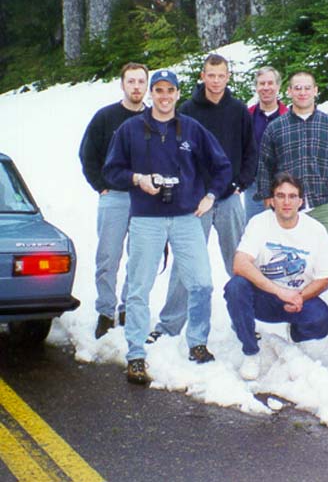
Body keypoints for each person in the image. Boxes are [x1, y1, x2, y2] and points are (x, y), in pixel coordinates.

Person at [103, 69, 232, 384]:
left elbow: (222, 166)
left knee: (201, 283)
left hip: (187, 217)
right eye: (158, 90)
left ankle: (198, 343)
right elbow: (111, 170)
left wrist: (211, 197)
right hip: (146, 219)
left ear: (177, 93)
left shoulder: (192, 129)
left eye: (169, 91)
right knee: (138, 288)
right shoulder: (130, 130)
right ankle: (135, 354)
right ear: (151, 93)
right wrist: (137, 179)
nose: (164, 96)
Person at [147, 54, 256, 345]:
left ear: (228, 77)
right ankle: (170, 324)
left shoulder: (238, 110)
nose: (216, 80)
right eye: (211, 75)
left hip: (229, 198)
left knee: (239, 261)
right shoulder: (187, 110)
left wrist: (240, 183)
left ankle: (243, 321)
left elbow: (250, 152)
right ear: (202, 76)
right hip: (196, 203)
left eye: (221, 75)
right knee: (187, 261)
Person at [224, 173, 328, 381]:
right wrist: (278, 291)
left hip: (298, 298)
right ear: (272, 200)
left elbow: (324, 278)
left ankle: (296, 334)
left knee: (322, 321)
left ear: (301, 201)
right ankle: (250, 351)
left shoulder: (316, 230)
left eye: (292, 196)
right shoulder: (259, 223)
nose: (286, 202)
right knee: (235, 287)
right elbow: (239, 263)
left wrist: (300, 296)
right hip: (265, 296)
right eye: (280, 195)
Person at [79, 62, 148, 339]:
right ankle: (106, 311)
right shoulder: (105, 117)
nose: (136, 87)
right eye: (131, 81)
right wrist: (100, 186)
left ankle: (128, 308)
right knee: (108, 256)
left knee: (141, 257)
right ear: (122, 85)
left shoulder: (156, 118)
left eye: (141, 82)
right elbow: (88, 154)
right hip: (115, 197)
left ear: (146, 85)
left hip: (146, 199)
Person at [256, 71, 328, 247]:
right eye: (297, 88)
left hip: (326, 206)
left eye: (307, 88)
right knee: (290, 261)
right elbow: (265, 166)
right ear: (289, 91)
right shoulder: (275, 128)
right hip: (287, 208)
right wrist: (268, 196)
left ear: (315, 91)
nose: (302, 93)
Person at [245, 66, 288, 222]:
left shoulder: (289, 117)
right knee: (254, 229)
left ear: (278, 86)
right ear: (256, 87)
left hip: (284, 184)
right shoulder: (247, 116)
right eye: (262, 84)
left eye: (270, 83)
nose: (266, 88)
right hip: (254, 186)